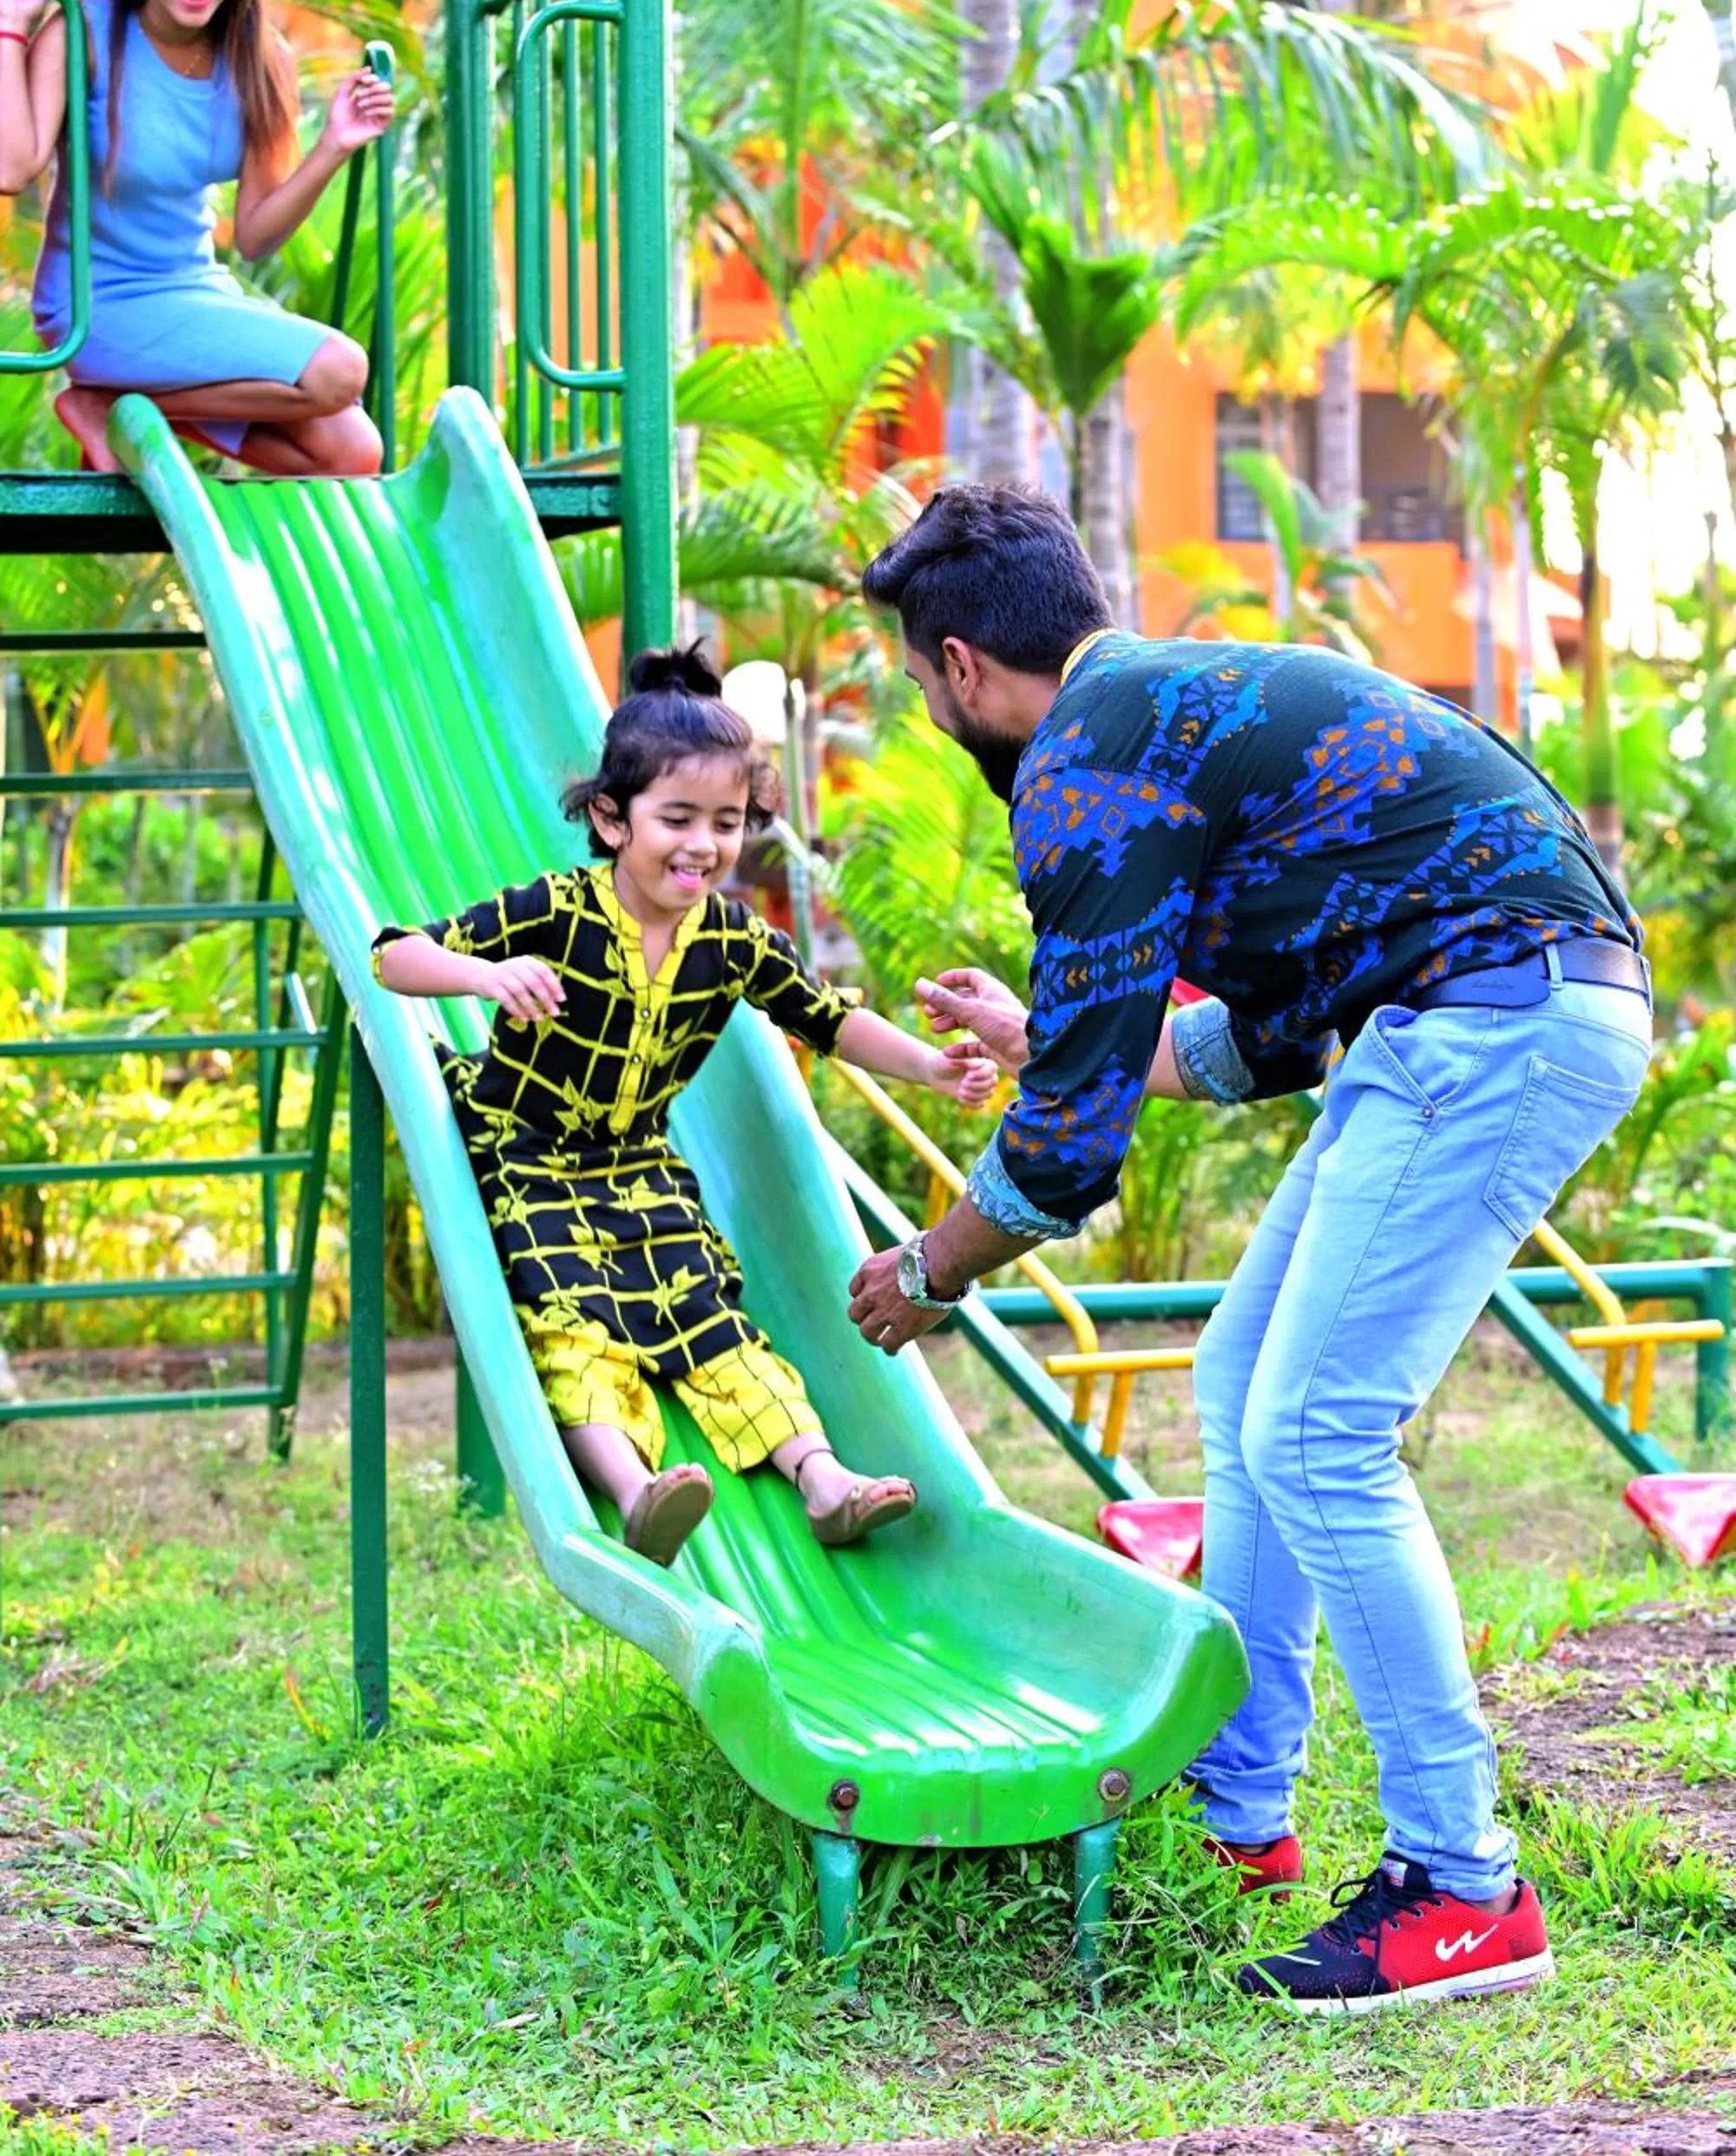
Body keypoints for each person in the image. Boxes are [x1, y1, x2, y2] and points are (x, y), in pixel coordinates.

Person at [847, 483, 1653, 2015]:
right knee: (1244, 1388)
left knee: (1319, 1429)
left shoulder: (1085, 759)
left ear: (958, 667)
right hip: (1472, 1009)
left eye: (917, 679)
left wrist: (927, 1271)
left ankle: (1465, 1887)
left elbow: (1067, 1149)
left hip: (1493, 1019)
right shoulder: (1177, 709)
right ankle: (1241, 1811)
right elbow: (1239, 1039)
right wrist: (1050, 1036)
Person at [375, 644, 997, 1568]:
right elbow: (394, 956)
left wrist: (932, 1067)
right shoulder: (557, 910)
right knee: (569, 1316)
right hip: (527, 1152)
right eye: (677, 818)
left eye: (727, 821)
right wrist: (484, 972)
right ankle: (634, 1493)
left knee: (713, 1319)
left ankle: (823, 1482)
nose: (703, 845)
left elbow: (829, 1021)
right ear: (610, 820)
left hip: (636, 1164)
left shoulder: (733, 939)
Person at [0, 0, 392, 479]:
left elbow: (259, 236)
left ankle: (111, 407)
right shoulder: (87, 33)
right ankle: (110, 399)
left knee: (352, 453)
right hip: (98, 305)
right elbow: (12, 168)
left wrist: (333, 146)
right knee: (340, 369)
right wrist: (11, 25)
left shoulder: (261, 60)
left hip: (193, 291)